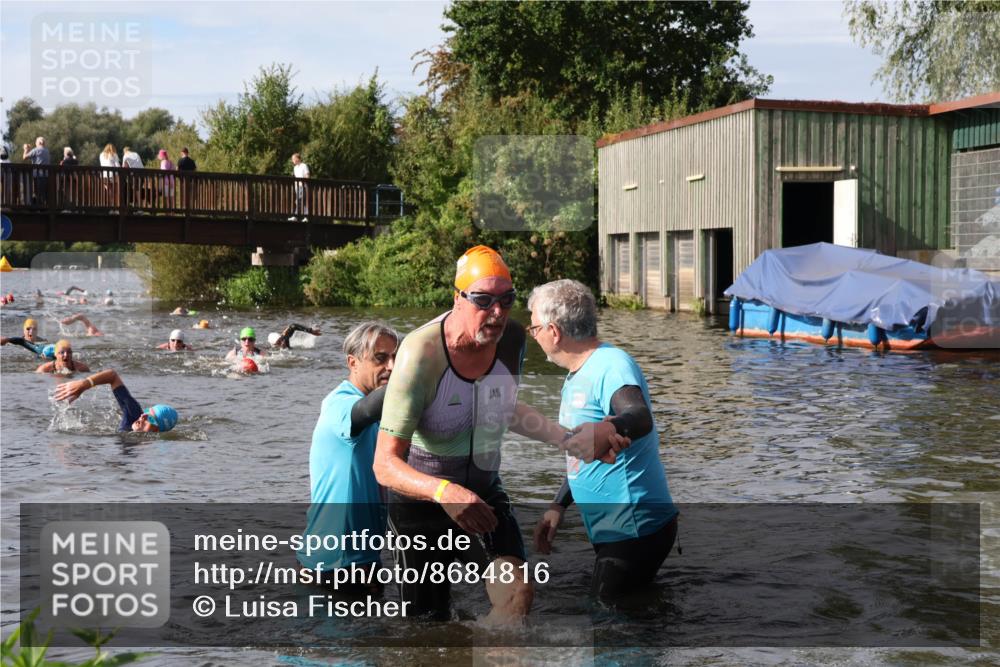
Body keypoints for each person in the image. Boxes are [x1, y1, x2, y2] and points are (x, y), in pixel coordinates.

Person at [373, 246, 626, 623]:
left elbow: (502, 408)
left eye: (506, 300)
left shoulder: (510, 340)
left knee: (518, 594)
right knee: (427, 628)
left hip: (484, 495)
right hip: (421, 507)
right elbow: (384, 464)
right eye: (483, 300)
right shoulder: (420, 353)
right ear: (457, 298)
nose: (497, 312)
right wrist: (445, 492)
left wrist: (569, 440)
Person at [527, 279, 679, 603]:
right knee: (632, 611)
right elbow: (580, 449)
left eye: (534, 328)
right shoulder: (579, 373)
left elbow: (639, 416)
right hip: (615, 528)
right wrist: (559, 504)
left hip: (636, 526)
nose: (534, 336)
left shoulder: (611, 365)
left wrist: (608, 430)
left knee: (604, 622)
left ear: (553, 331)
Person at [298, 322, 399, 592]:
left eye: (395, 357)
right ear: (352, 362)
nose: (391, 366)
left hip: (364, 559)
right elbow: (364, 411)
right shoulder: (339, 404)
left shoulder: (384, 411)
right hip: (332, 563)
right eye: (381, 358)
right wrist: (418, 375)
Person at [54, 368, 178, 433]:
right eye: (145, 414)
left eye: (149, 419)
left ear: (158, 430)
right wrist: (84, 385)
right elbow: (112, 375)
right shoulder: (134, 415)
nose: (141, 418)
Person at [22, 136, 50, 205]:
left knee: (37, 192)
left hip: (38, 175)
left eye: (36, 143)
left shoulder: (36, 150)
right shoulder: (47, 151)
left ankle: (38, 207)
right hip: (46, 175)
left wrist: (25, 149)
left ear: (39, 143)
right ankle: (44, 207)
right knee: (43, 192)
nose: (35, 144)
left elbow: (24, 157)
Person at [289, 153, 310, 221]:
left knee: (299, 200)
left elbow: (307, 175)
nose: (292, 161)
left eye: (293, 159)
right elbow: (296, 177)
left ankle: (296, 216)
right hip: (297, 187)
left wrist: (303, 182)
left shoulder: (304, 165)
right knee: (301, 201)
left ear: (297, 159)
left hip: (303, 186)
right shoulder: (295, 168)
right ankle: (306, 217)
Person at [99, 144, 120, 209]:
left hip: (103, 175)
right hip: (112, 175)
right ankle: (114, 205)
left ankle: (109, 204)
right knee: (115, 190)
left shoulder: (101, 155)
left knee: (108, 189)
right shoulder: (114, 154)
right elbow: (117, 166)